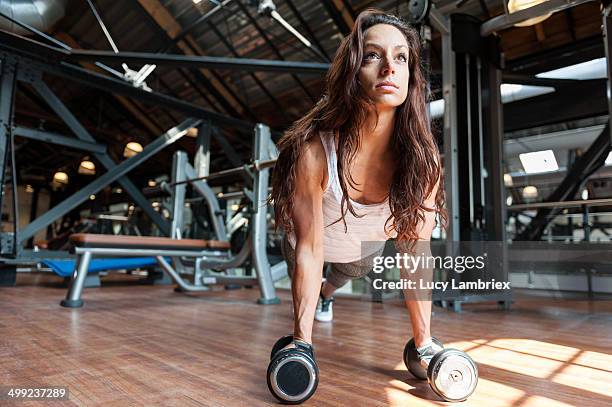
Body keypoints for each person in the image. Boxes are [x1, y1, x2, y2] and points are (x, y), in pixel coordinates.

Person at [269, 9, 447, 365]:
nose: (388, 68)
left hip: (360, 254)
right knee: (308, 266)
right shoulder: (315, 150)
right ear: (353, 71)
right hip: (307, 245)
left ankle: (326, 295)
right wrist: (301, 344)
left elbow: (416, 255)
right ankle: (314, 302)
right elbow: (310, 247)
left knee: (351, 271)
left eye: (400, 57)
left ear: (411, 75)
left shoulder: (423, 163)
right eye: (372, 56)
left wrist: (424, 344)